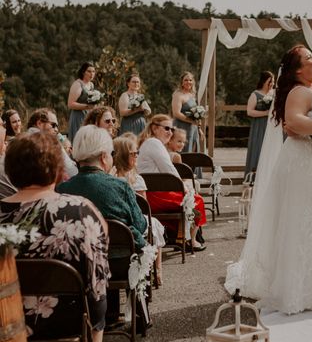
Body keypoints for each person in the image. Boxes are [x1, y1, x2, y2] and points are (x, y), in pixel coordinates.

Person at [225, 44, 312, 315]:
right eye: (308, 59)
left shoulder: (311, 91)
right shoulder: (299, 91)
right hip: (303, 163)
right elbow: (295, 122)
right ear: (297, 70)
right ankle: (299, 288)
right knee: (302, 220)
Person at [0, 132, 110, 342]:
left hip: (5, 319)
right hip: (67, 319)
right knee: (97, 301)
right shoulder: (81, 210)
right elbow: (97, 279)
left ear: (10, 171)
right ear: (59, 169)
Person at [57, 125, 148, 251]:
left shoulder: (62, 189)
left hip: (78, 259)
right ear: (104, 157)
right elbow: (140, 225)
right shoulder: (121, 186)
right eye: (112, 153)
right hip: (119, 259)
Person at [137, 114, 207, 251]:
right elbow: (169, 169)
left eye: (172, 130)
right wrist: (184, 188)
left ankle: (181, 236)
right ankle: (191, 241)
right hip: (154, 195)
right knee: (196, 200)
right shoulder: (154, 143)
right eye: (167, 128)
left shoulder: (149, 143)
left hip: (151, 193)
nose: (170, 132)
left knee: (190, 197)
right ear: (155, 128)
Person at [113, 134, 165, 284]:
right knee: (154, 224)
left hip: (116, 222)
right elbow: (143, 207)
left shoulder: (110, 178)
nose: (137, 156)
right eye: (134, 153)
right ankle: (158, 269)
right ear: (123, 155)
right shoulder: (137, 180)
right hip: (134, 222)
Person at [27, 108, 78, 179]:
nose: (56, 130)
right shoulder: (49, 143)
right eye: (53, 125)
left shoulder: (23, 141)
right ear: (39, 123)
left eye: (57, 126)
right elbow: (72, 172)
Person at [244, 71, 274, 177]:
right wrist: (266, 113)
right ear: (264, 81)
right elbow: (250, 111)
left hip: (271, 126)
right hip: (259, 126)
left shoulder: (273, 94)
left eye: (272, 82)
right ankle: (255, 175)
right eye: (269, 81)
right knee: (259, 148)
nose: (271, 84)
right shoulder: (255, 94)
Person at [67, 61, 97, 142]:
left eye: (93, 71)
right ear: (83, 72)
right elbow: (70, 104)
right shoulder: (77, 84)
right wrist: (87, 107)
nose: (92, 74)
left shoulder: (91, 85)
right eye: (89, 71)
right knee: (79, 141)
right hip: (78, 117)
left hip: (88, 117)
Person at [171, 72, 201, 153]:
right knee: (184, 151)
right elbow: (176, 113)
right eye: (186, 80)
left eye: (190, 80)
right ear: (182, 82)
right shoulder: (178, 95)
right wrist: (191, 121)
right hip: (181, 127)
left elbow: (196, 115)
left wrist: (199, 129)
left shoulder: (192, 95)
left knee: (193, 150)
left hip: (193, 128)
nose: (188, 82)